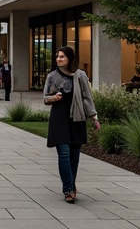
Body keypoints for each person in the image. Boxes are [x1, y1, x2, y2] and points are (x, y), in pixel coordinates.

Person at [43, 45, 98, 204]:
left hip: (77, 119)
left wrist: (94, 117)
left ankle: (71, 186)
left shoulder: (80, 75)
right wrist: (53, 98)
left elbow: (87, 98)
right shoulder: (52, 76)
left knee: (74, 157)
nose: (58, 59)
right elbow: (45, 98)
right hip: (59, 119)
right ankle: (68, 189)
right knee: (65, 154)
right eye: (57, 57)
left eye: (62, 57)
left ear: (70, 59)